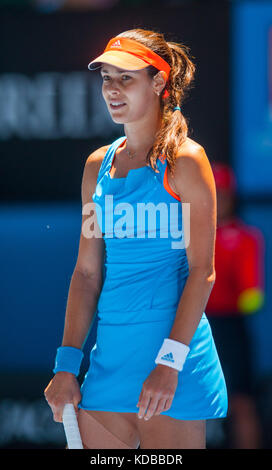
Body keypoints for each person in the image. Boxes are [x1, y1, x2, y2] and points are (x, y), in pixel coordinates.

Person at [44, 29, 228, 449]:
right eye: (107, 78)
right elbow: (87, 273)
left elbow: (204, 272)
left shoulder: (187, 161)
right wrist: (67, 366)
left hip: (172, 368)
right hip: (109, 366)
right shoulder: (97, 167)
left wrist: (169, 365)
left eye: (126, 78)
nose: (112, 89)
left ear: (159, 83)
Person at [206, 163, 265, 449]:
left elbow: (251, 294)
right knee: (178, 403)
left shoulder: (246, 237)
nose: (218, 199)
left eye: (223, 193)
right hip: (192, 325)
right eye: (212, 193)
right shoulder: (186, 236)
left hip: (231, 327)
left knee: (242, 401)